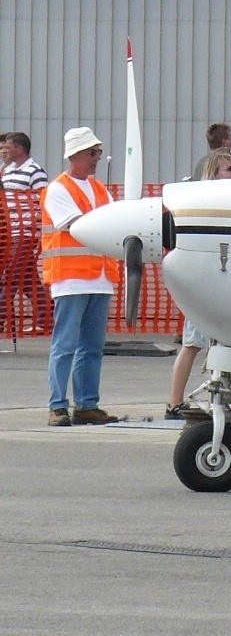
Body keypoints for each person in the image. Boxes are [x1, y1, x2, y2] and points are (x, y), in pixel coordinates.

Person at [40, 127, 121, 426]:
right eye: (92, 152)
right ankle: (58, 405)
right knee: (65, 345)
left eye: (98, 152)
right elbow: (78, 223)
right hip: (71, 277)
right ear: (75, 155)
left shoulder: (100, 189)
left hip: (99, 277)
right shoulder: (57, 189)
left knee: (91, 347)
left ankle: (87, 404)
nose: (97, 157)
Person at [166, 149, 231, 417]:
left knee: (224, 344)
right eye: (228, 170)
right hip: (204, 286)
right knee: (193, 344)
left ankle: (221, 396)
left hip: (224, 285)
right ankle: (174, 402)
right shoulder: (204, 206)